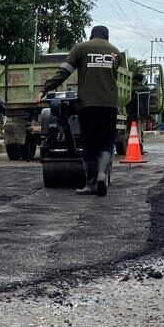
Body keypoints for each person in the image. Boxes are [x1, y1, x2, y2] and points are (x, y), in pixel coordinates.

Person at [40, 24, 121, 197]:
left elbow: (64, 72)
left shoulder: (81, 48)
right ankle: (102, 175)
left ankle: (91, 183)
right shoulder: (115, 52)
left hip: (88, 104)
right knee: (107, 141)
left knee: (90, 143)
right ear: (107, 37)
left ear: (92, 35)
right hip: (110, 104)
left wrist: (46, 89)